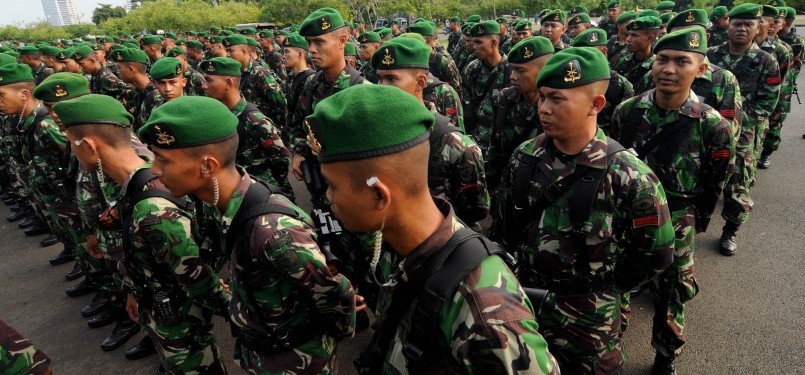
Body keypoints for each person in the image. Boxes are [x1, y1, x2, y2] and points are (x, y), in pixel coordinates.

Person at [306, 84, 558, 374]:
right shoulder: (395, 243)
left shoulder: (489, 317)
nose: (328, 196)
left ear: (379, 196)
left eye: (333, 185)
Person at [493, 47, 675, 374]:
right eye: (543, 98)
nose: (544, 109)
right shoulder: (524, 158)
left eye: (558, 99)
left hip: (589, 317)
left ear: (596, 104)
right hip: (525, 302)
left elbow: (655, 254)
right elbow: (505, 224)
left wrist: (606, 290)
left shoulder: (630, 178)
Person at [54, 94, 229, 374]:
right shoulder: (131, 187)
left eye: (71, 142)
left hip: (180, 320)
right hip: (157, 308)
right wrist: (135, 293)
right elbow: (144, 259)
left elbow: (199, 280)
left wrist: (234, 315)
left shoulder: (153, 210)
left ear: (87, 145)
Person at [611, 28, 735, 374]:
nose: (668, 69)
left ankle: (665, 355)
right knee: (618, 281)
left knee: (672, 291)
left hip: (678, 218)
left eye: (682, 61)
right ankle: (609, 349)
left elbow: (716, 180)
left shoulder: (713, 126)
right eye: (662, 60)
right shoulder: (628, 112)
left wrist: (698, 220)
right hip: (628, 219)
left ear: (700, 68)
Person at [373, 37, 489, 227]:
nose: (382, 88)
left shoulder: (458, 147)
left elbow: (475, 211)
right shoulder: (376, 136)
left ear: (420, 82)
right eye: (380, 78)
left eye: (392, 79)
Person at [706, 3, 780, 256]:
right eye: (737, 23)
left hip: (744, 133)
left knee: (738, 184)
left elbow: (766, 103)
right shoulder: (710, 55)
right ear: (728, 26)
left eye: (749, 24)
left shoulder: (766, 61)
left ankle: (730, 230)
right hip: (707, 128)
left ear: (759, 27)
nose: (742, 28)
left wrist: (733, 127)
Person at [290, 7, 370, 210]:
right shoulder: (311, 84)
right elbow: (301, 122)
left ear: (342, 41)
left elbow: (374, 151)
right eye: (309, 43)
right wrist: (299, 152)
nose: (312, 50)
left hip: (354, 193)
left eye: (319, 42)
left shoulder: (360, 89)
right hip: (319, 185)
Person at [200, 57, 294, 198]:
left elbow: (281, 159)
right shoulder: (219, 115)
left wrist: (269, 185)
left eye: (209, 80)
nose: (203, 86)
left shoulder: (254, 119)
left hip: (262, 194)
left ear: (228, 83)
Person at [487, 36, 553, 192]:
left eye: (520, 70)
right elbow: (495, 142)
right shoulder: (505, 98)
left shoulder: (555, 107)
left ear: (544, 70)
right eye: (512, 69)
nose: (512, 77)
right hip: (508, 182)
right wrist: (491, 182)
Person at [571, 28, 635, 135]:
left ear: (604, 52)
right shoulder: (569, 81)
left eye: (590, 53)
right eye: (580, 54)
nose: (584, 59)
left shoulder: (620, 84)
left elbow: (625, 123)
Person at [461, 20, 511, 152]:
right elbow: (465, 100)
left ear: (494, 43)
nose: (474, 46)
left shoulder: (510, 71)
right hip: (476, 140)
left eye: (478, 42)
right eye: (473, 42)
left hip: (501, 142)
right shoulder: (472, 68)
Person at [223, 34, 288, 129]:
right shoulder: (237, 72)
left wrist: (278, 128)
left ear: (244, 51)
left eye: (230, 51)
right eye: (226, 51)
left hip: (263, 127)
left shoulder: (259, 72)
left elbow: (279, 102)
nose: (227, 55)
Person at [110, 48, 157, 130]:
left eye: (119, 68)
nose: (117, 72)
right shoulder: (135, 92)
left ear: (131, 69)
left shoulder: (156, 96)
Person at [613, 16, 661, 94]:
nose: (628, 39)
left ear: (650, 38)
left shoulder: (656, 66)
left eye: (634, 35)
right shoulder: (623, 61)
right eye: (629, 35)